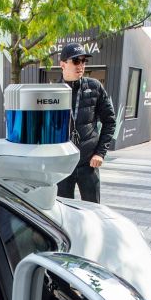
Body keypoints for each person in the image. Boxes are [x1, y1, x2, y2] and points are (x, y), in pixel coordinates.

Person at [56, 42, 116, 203]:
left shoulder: (94, 87)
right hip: (63, 165)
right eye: (76, 61)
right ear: (62, 64)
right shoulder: (53, 91)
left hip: (88, 164)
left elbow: (110, 121)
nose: (81, 65)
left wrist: (100, 153)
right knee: (63, 212)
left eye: (83, 61)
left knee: (93, 211)